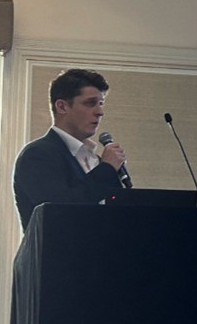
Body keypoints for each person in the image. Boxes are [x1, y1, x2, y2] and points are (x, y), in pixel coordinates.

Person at [13, 69, 127, 230]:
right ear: (62, 107)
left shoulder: (97, 160)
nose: (100, 112)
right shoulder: (36, 155)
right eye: (90, 103)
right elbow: (60, 211)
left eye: (101, 104)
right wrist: (107, 169)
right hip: (58, 247)